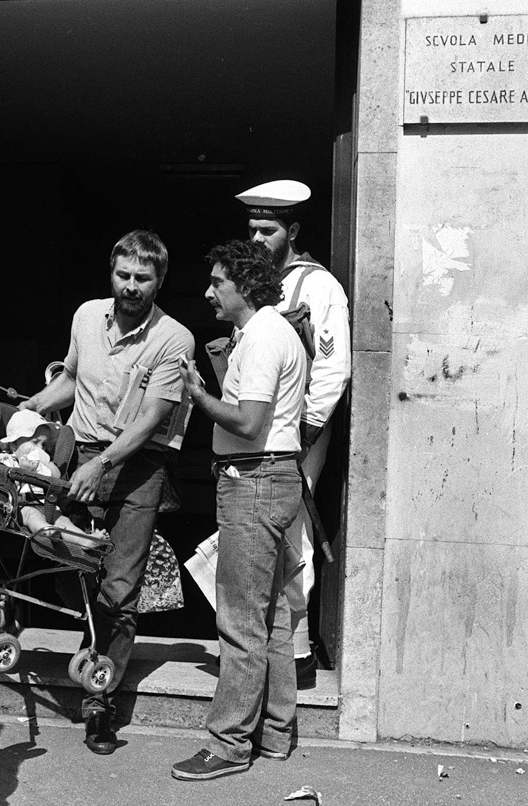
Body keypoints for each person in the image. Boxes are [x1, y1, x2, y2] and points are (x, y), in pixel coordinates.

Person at [20, 229, 194, 755]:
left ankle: (100, 701)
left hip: (137, 464)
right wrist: (30, 408)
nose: (131, 287)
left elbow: (149, 421)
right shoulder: (85, 316)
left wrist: (103, 464)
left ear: (160, 280)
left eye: (143, 278)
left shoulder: (174, 338)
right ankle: (92, 641)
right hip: (80, 453)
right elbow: (72, 378)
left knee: (120, 587)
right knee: (56, 553)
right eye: (124, 275)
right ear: (111, 273)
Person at [171, 238, 305, 781]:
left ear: (245, 286)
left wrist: (194, 393)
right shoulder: (265, 333)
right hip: (268, 478)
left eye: (217, 283)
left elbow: (248, 424)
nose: (208, 292)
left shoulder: (265, 336)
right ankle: (274, 733)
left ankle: (228, 744)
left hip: (254, 479)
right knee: (269, 614)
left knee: (240, 620)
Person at [237, 179, 351, 689]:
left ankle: (297, 653)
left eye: (268, 230)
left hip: (300, 431)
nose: (258, 239)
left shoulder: (318, 286)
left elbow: (333, 370)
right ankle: (263, 647)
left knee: (293, 535)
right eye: (253, 230)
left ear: (293, 230)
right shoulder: (254, 287)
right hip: (257, 431)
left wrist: (304, 431)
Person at [0, 408, 108, 549]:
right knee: (32, 515)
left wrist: (44, 465)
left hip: (47, 505)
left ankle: (85, 541)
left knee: (63, 520)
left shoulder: (43, 464)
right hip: (20, 507)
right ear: (13, 444)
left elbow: (56, 476)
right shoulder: (6, 460)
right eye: (35, 442)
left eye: (44, 445)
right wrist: (23, 472)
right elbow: (2, 484)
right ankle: (46, 530)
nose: (40, 449)